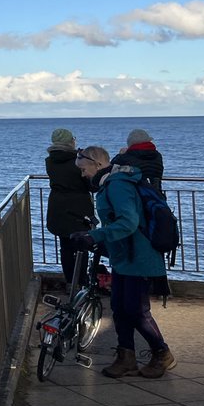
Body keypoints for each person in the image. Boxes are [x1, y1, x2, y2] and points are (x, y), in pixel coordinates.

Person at [71, 145, 176, 379]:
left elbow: (128, 222)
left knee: (137, 311)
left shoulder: (117, 185)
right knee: (119, 308)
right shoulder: (112, 183)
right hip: (125, 257)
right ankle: (126, 357)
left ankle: (162, 353)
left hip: (139, 257)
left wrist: (95, 236)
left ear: (97, 164)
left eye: (83, 168)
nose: (82, 174)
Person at [44, 128, 95, 286]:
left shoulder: (50, 160)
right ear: (70, 141)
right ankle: (82, 281)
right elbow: (91, 185)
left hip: (58, 206)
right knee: (82, 246)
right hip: (79, 208)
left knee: (65, 246)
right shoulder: (78, 161)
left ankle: (70, 282)